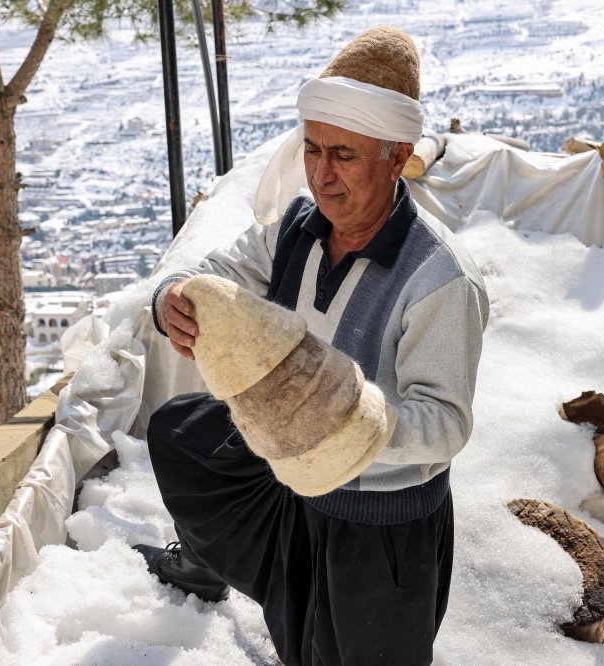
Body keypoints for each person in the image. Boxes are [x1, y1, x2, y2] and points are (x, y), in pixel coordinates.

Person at [136, 25, 488, 666]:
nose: (322, 176)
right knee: (181, 435)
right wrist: (173, 298)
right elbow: (213, 271)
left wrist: (349, 421)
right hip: (285, 476)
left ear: (396, 155)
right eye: (312, 149)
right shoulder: (299, 228)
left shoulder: (439, 279)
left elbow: (445, 424)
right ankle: (207, 564)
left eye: (345, 156)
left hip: (380, 523)